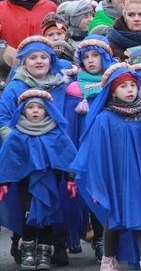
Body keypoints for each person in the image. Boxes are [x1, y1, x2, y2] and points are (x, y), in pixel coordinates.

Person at [71, 62, 141, 271]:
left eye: (132, 85)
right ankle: (108, 259)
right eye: (123, 86)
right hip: (116, 179)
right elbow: (97, 155)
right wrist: (97, 186)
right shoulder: (104, 118)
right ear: (112, 91)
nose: (129, 90)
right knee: (113, 218)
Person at [0, 90, 78, 271]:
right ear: (23, 111)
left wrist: (71, 178)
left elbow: (67, 156)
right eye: (31, 108)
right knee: (28, 213)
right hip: (26, 184)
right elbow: (8, 160)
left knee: (48, 214)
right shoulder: (17, 135)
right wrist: (4, 183)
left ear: (48, 110)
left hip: (49, 181)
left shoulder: (56, 133)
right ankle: (28, 248)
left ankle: (44, 251)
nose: (35, 111)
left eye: (40, 108)